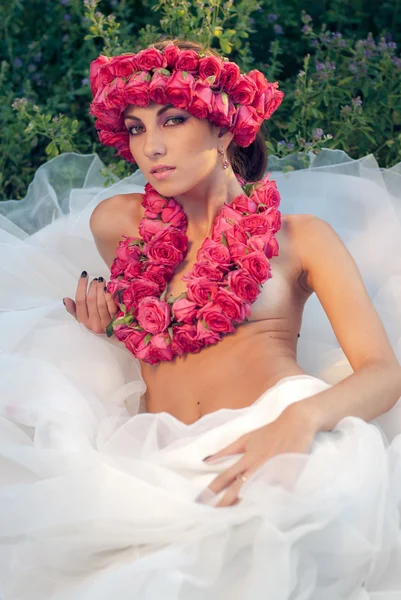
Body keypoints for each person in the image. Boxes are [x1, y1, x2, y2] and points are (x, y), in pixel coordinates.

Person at [1, 37, 401, 599]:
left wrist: (303, 420)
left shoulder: (301, 237)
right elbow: (167, 339)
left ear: (222, 125)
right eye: (136, 127)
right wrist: (111, 329)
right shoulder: (119, 227)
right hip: (149, 456)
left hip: (271, 436)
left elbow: (383, 372)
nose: (151, 147)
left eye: (173, 119)